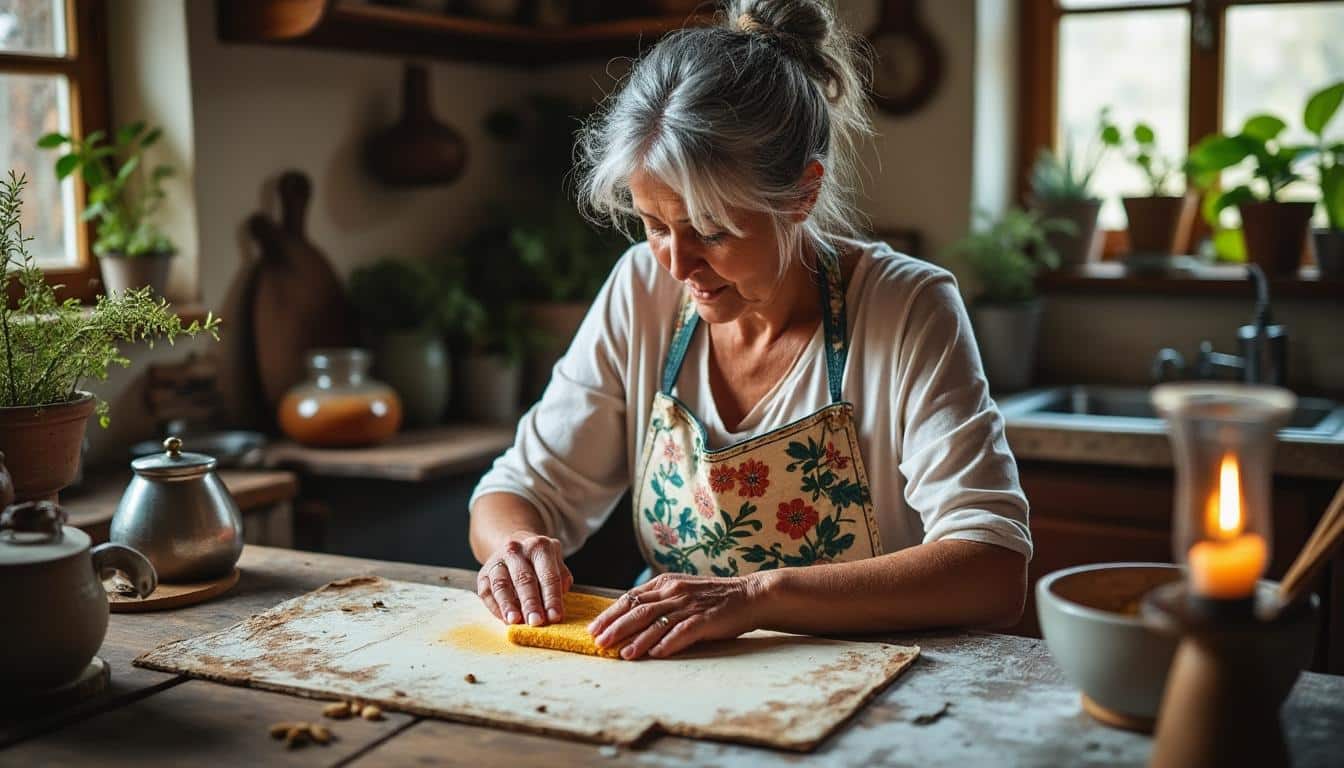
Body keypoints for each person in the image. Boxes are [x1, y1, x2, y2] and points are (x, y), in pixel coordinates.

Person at [468, 0, 1031, 660]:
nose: (679, 264)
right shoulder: (642, 289)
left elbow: (992, 568)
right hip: (672, 673)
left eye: (711, 230)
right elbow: (517, 491)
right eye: (654, 226)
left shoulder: (906, 307)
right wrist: (516, 547)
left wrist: (755, 596)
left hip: (867, 684)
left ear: (802, 193)